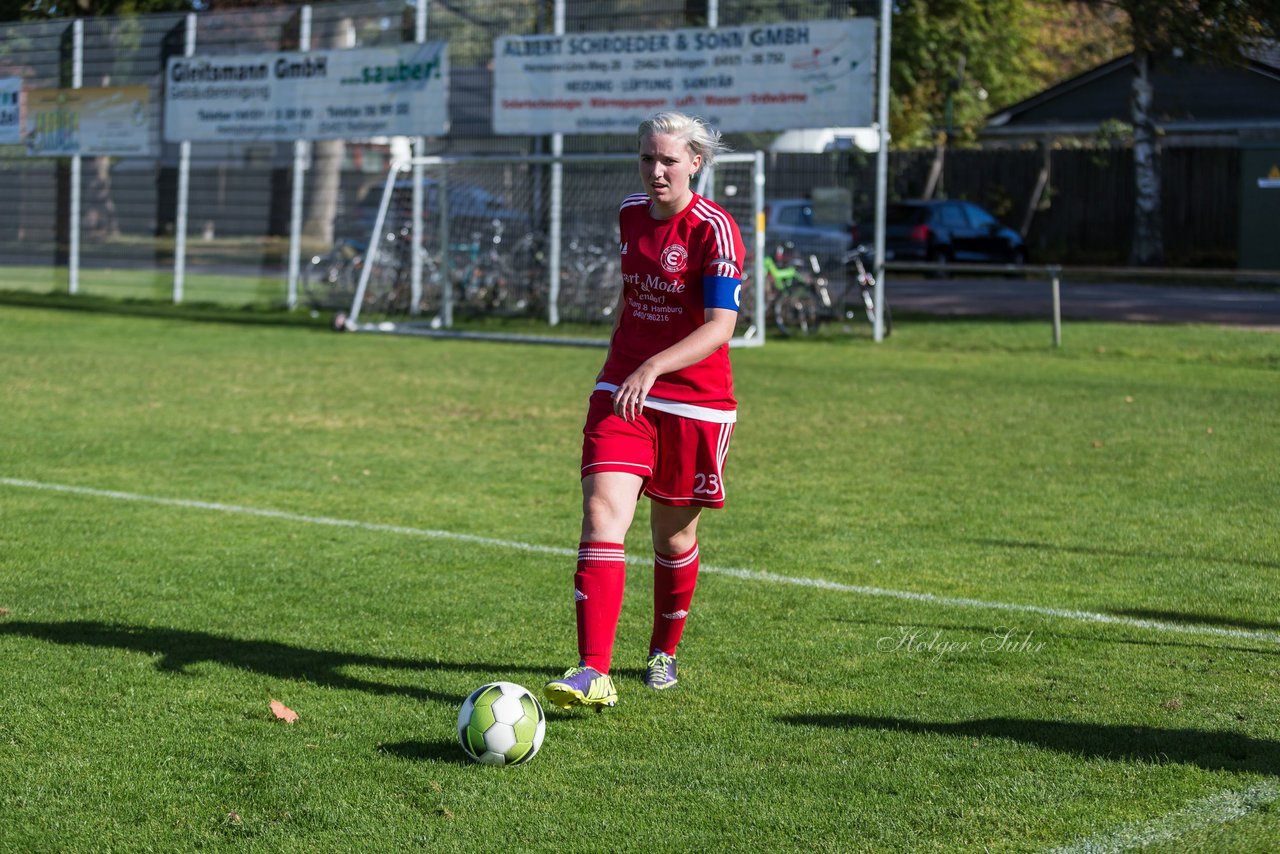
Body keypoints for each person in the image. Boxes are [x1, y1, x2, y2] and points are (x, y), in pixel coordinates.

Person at [544, 112, 745, 710]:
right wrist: (623, 359)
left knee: (673, 536)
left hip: (694, 403)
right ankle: (592, 671)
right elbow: (631, 292)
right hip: (622, 392)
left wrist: (654, 365)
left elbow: (721, 327)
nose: (656, 171)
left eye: (668, 161)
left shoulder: (715, 229)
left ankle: (663, 651)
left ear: (695, 163)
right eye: (647, 159)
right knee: (603, 516)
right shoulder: (631, 213)